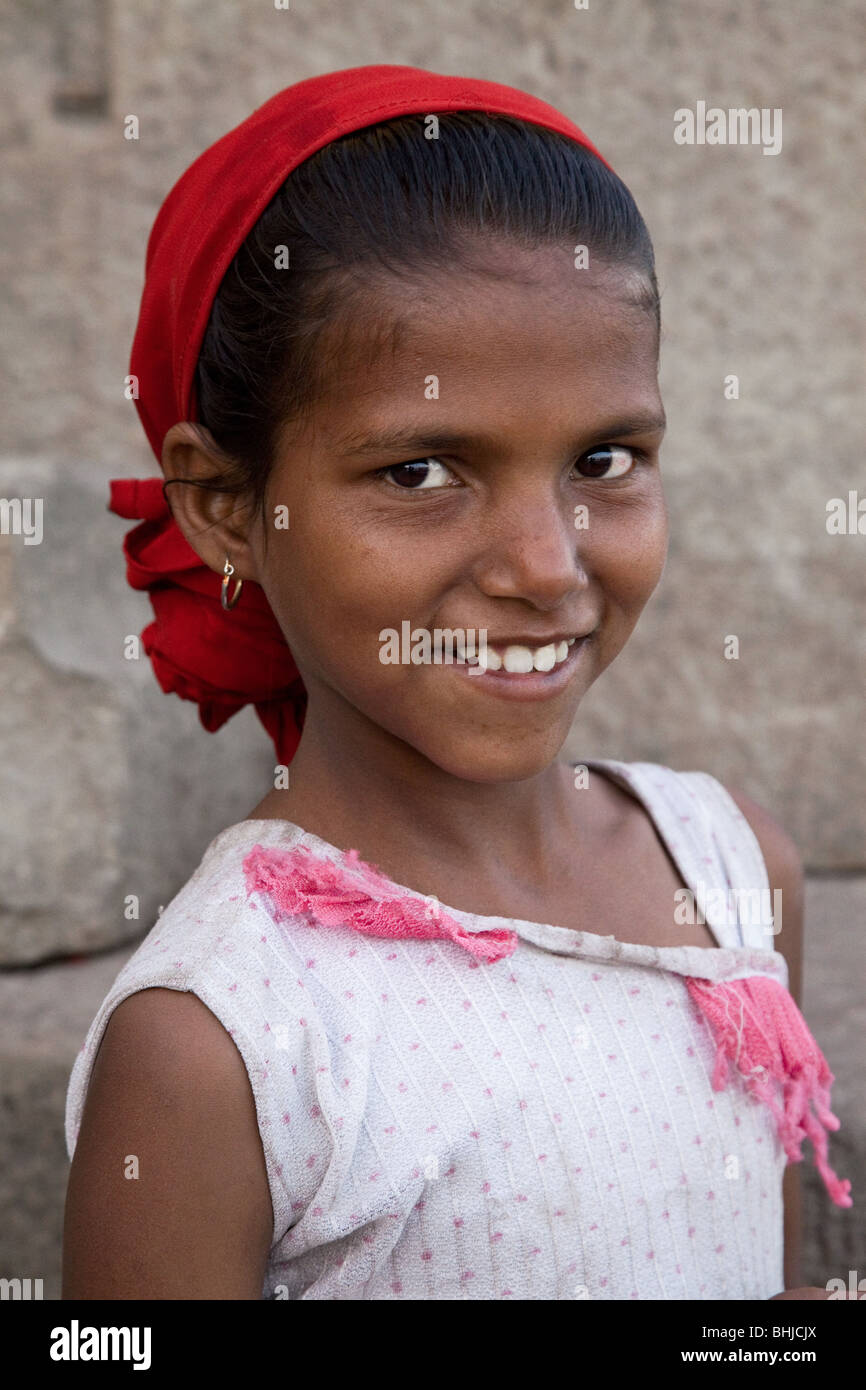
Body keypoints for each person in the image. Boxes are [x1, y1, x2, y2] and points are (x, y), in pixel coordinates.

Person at [62, 64, 851, 1301]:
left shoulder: (730, 873)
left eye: (604, 457)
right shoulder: (224, 1031)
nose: (547, 568)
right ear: (224, 506)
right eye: (422, 473)